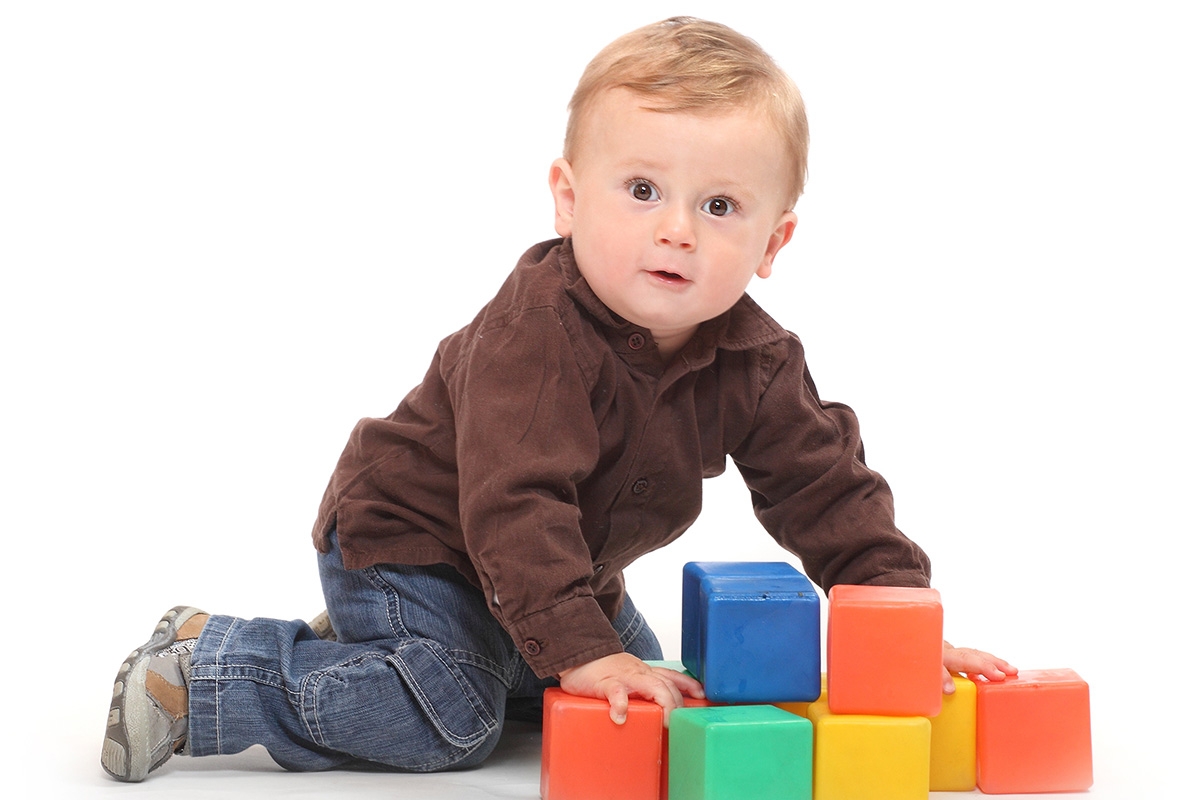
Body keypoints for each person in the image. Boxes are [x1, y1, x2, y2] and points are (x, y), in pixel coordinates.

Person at [101, 16, 1016, 783]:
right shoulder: (537, 334)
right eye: (645, 190)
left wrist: (899, 619)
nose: (676, 231)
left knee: (654, 693)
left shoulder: (759, 361)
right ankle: (209, 672)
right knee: (454, 722)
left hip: (551, 567)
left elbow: (826, 490)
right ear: (568, 200)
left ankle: (386, 659)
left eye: (720, 207)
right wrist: (577, 647)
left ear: (773, 244)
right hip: (417, 542)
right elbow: (514, 500)